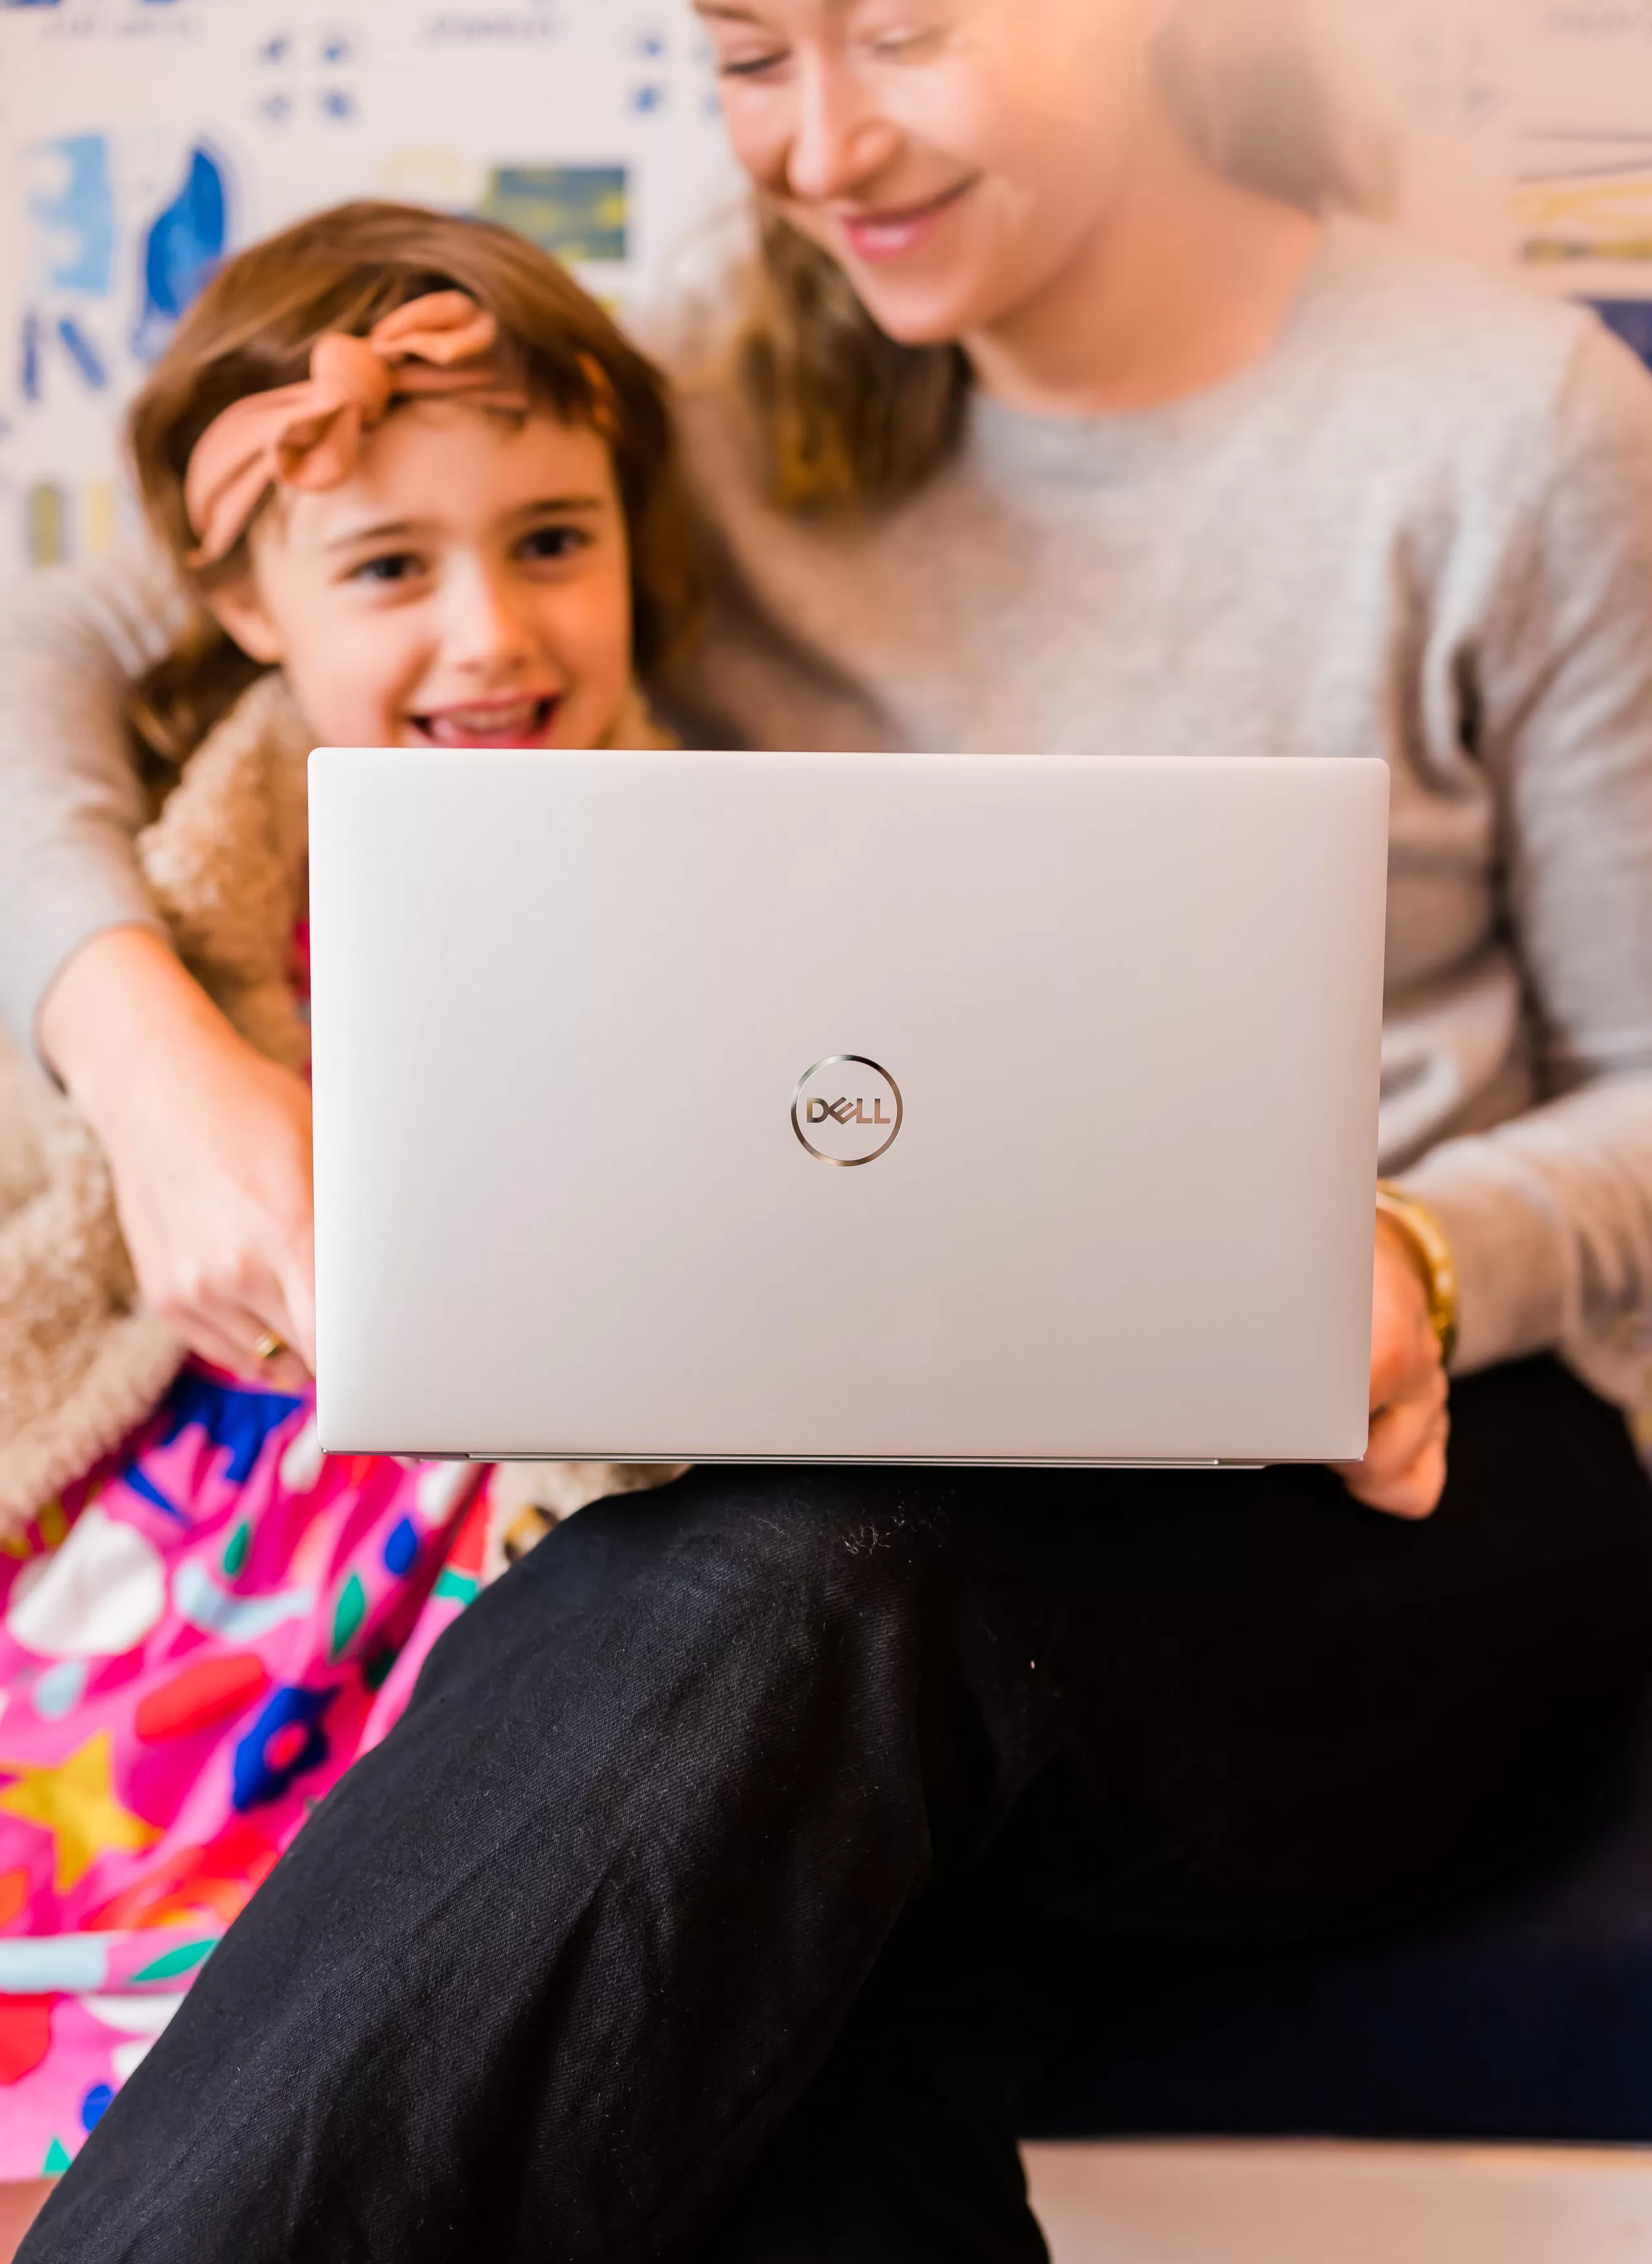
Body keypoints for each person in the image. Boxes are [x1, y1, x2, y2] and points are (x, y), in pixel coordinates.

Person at [10, 0, 1652, 2254]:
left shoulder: (1503, 421)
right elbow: (71, 639)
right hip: (867, 1538)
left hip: (1403, 1490)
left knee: (798, 1578)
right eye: (750, 52)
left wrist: (1411, 1253)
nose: (822, 143)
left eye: (900, 35)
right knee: (773, 1995)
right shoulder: (698, 374)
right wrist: (149, 1060)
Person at [0, 200, 693, 2237]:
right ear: (237, 602)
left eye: (554, 540)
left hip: (474, 1564)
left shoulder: (718, 866)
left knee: (340, 2026)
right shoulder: (167, 881)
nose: (490, 633)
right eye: (392, 566)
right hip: (162, 1539)